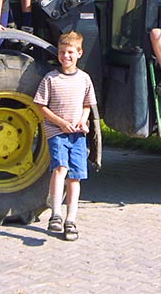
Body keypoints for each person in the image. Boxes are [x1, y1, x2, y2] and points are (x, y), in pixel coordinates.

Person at [33, 31, 97, 241]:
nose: (65, 56)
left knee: (75, 177)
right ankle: (56, 214)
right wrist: (60, 123)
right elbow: (41, 106)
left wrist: (81, 121)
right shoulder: (51, 78)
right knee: (60, 168)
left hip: (77, 134)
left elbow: (87, 106)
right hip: (57, 132)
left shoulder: (84, 79)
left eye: (70, 52)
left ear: (79, 53)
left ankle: (71, 220)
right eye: (62, 52)